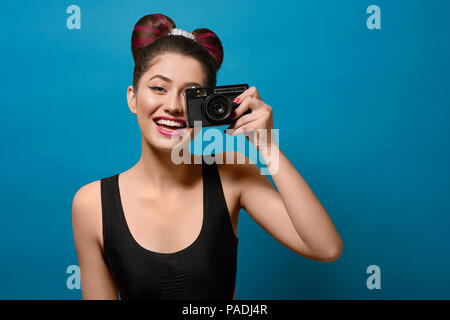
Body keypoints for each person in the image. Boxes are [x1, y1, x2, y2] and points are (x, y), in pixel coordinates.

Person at [72, 13, 343, 300]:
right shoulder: (92, 204)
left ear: (208, 108)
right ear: (132, 98)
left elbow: (325, 248)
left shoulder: (232, 174)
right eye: (158, 88)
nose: (173, 106)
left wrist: (268, 146)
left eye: (190, 95)